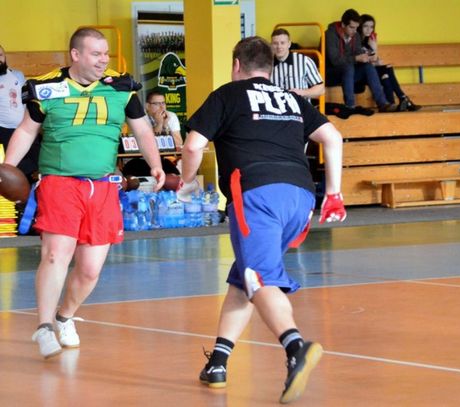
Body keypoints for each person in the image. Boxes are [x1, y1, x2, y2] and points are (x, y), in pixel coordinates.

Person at [178, 36, 346, 403]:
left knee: (259, 279)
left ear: (236, 65)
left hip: (257, 193)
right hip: (300, 197)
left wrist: (187, 181)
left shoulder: (228, 94)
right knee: (245, 277)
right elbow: (333, 138)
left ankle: (295, 347)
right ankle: (218, 362)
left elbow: (193, 146)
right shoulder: (292, 99)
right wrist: (334, 193)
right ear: (270, 68)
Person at [4, 28, 165, 358]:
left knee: (90, 269)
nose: (104, 60)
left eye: (106, 54)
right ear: (75, 55)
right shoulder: (47, 87)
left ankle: (64, 317)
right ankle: (44, 326)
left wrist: (156, 164)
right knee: (55, 255)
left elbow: (142, 130)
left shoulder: (121, 87)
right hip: (59, 182)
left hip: (103, 186)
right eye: (96, 54)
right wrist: (7, 168)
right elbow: (26, 131)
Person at [325, 8, 397, 113]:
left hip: (349, 74)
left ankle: (383, 104)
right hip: (330, 74)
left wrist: (368, 57)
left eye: (356, 27)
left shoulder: (356, 35)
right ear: (343, 25)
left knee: (368, 67)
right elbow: (335, 60)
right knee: (348, 67)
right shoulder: (330, 34)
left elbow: (358, 53)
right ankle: (350, 106)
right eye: (352, 27)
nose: (355, 31)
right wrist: (356, 58)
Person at [358, 14, 421, 112]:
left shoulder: (368, 42)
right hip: (362, 75)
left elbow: (374, 59)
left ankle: (393, 104)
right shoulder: (356, 41)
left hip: (372, 72)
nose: (369, 30)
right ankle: (402, 98)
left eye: (371, 27)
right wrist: (375, 51)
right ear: (360, 26)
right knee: (386, 70)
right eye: (365, 26)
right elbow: (364, 63)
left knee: (386, 74)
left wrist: (374, 49)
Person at [0, 44, 39, 182]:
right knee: (17, 164)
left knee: (38, 157)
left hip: (26, 124)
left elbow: (27, 99)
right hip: (4, 128)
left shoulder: (17, 75)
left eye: (0, 55)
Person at [270, 28, 325, 100]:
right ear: (271, 45)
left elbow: (321, 89)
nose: (279, 46)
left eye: (282, 43)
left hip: (300, 106)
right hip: (276, 106)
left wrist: (302, 92)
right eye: (275, 43)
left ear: (289, 44)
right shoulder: (266, 64)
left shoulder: (305, 61)